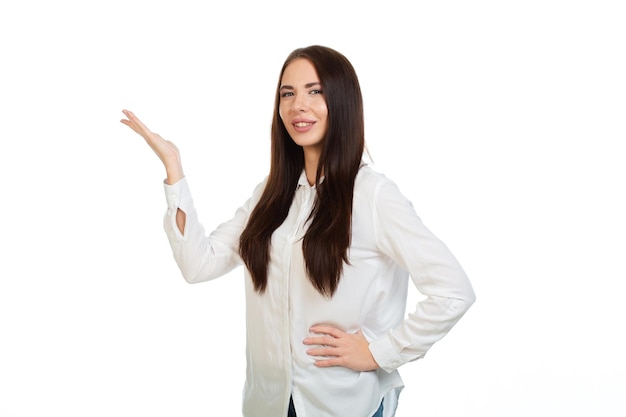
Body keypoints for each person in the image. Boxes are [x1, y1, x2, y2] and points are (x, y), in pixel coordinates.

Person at [121, 45, 475, 417]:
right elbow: (198, 265)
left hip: (344, 404)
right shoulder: (271, 193)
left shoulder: (373, 195)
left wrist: (378, 352)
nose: (297, 105)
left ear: (342, 102)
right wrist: (174, 169)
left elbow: (454, 292)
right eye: (287, 93)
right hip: (268, 403)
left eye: (314, 91)